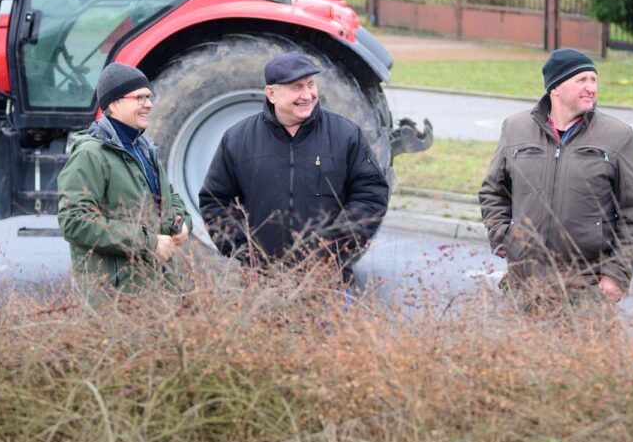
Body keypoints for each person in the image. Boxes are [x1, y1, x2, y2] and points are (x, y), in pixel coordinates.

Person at [478, 47, 633, 310]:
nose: (590, 87)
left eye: (593, 80)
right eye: (581, 80)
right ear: (555, 88)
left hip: (587, 288)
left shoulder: (617, 136)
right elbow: (493, 191)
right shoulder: (515, 128)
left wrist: (617, 275)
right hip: (524, 284)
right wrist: (504, 238)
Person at [198, 51, 390, 284]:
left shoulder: (347, 135)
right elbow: (215, 201)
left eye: (311, 84)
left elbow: (371, 194)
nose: (307, 95)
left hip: (326, 279)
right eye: (296, 87)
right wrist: (245, 251)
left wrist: (335, 248)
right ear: (271, 94)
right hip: (261, 280)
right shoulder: (238, 139)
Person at [57, 62, 191, 296]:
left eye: (149, 97)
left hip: (156, 293)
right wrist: (149, 243)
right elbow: (74, 221)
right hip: (115, 300)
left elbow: (170, 199)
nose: (148, 104)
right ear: (114, 103)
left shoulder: (144, 149)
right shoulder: (90, 155)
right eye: (139, 98)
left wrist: (182, 223)